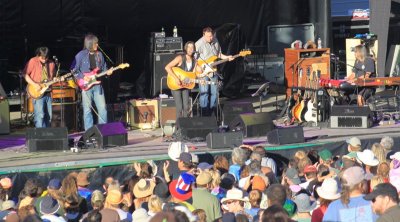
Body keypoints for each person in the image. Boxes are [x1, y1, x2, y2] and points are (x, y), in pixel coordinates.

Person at [72, 34, 112, 130]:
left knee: (102, 109)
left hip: (98, 86)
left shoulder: (100, 55)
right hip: (86, 86)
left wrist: (108, 72)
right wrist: (83, 77)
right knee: (87, 110)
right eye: (95, 43)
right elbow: (74, 70)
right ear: (89, 44)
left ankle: (103, 131)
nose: (97, 45)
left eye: (97, 43)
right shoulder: (80, 55)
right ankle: (89, 132)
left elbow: (104, 69)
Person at [195, 27, 234, 116]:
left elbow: (218, 54)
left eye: (211, 36)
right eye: (208, 36)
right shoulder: (199, 44)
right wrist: (198, 67)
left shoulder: (216, 41)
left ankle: (212, 113)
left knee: (214, 93)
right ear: (203, 35)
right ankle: (204, 115)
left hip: (213, 71)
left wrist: (228, 57)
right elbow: (195, 59)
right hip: (203, 72)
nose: (211, 38)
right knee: (204, 93)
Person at [24, 47, 58, 128]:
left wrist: (56, 79)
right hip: (37, 92)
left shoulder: (51, 64)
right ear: (37, 55)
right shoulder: (33, 61)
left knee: (49, 116)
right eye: (42, 58)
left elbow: (51, 78)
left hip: (48, 92)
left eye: (46, 58)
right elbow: (25, 75)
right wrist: (35, 84)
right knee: (40, 115)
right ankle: (39, 136)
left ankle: (46, 135)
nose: (44, 60)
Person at [165, 41, 197, 119]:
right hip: (176, 84)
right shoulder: (180, 58)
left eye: (192, 47)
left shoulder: (195, 61)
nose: (190, 49)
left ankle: (185, 127)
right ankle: (178, 129)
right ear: (186, 48)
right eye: (189, 47)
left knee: (186, 107)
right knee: (179, 108)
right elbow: (167, 67)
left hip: (185, 85)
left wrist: (201, 79)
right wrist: (176, 78)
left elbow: (193, 75)